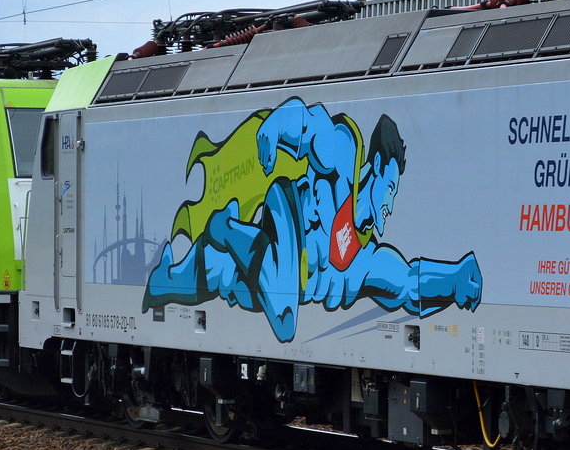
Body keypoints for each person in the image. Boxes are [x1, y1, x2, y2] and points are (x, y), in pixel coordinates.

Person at [142, 97, 482, 342]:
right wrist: (277, 126)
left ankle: (179, 266)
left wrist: (454, 280)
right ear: (377, 167)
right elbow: (312, 126)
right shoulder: (345, 158)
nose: (390, 204)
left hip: (256, 277)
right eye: (390, 188)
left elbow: (407, 283)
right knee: (282, 314)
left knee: (206, 276)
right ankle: (225, 229)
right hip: (284, 224)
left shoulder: (367, 258)